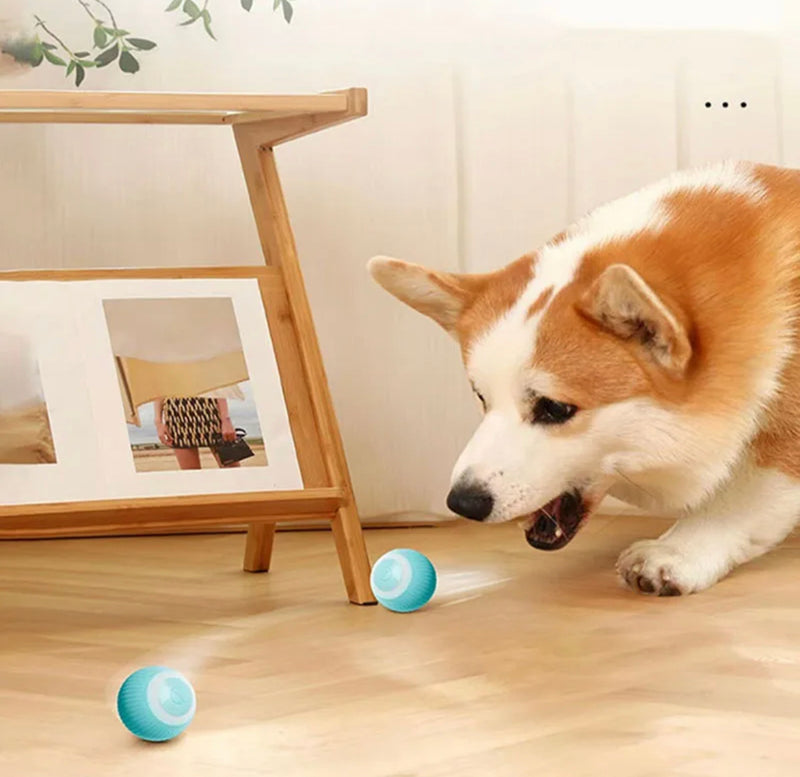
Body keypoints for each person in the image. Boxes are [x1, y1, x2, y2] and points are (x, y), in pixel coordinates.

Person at [153, 395, 240, 470]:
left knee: (235, 475)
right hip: (177, 415)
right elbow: (159, 388)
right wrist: (158, 422)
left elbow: (218, 384)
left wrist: (225, 419)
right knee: (192, 479)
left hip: (212, 411)